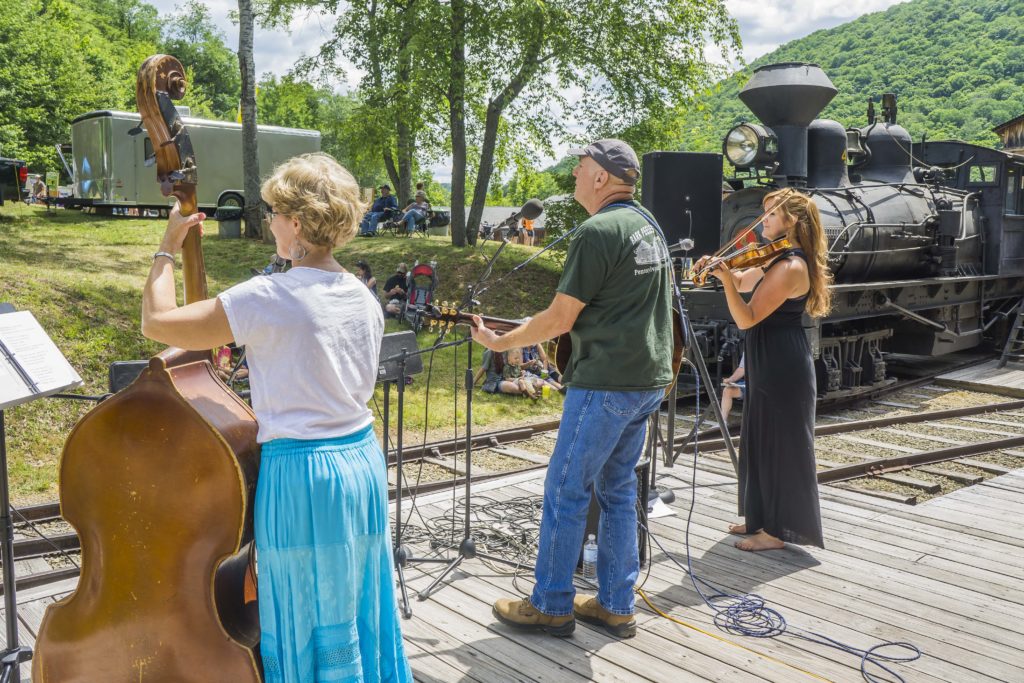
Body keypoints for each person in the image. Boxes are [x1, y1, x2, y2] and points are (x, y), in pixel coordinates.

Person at [140, 153, 412, 682]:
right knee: (355, 603)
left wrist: (167, 248)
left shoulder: (270, 297)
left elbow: (158, 322)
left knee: (300, 613)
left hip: (303, 476)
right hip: (360, 464)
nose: (268, 222)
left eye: (272, 213)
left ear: (297, 222)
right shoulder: (364, 296)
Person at [470, 138, 673, 639]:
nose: (575, 177)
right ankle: (616, 604)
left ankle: (552, 603)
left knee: (565, 488)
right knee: (619, 490)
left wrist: (501, 339)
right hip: (646, 379)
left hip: (605, 381)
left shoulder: (597, 230)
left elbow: (560, 318)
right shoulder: (649, 226)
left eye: (581, 168)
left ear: (602, 177)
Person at [694, 187, 831, 553]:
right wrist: (719, 269)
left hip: (782, 363)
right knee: (758, 439)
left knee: (780, 445)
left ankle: (776, 531)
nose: (763, 220)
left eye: (771, 214)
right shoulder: (776, 260)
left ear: (792, 221)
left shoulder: (791, 266)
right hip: (769, 358)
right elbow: (743, 281)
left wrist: (724, 281)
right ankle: (759, 518)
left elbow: (747, 317)